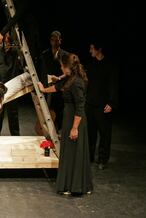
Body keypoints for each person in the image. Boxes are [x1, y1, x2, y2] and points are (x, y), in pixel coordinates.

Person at [38, 53, 93, 195]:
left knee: (74, 152)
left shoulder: (77, 82)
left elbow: (80, 106)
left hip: (76, 120)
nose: (61, 69)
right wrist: (44, 89)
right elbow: (58, 87)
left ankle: (75, 186)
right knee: (69, 151)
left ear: (68, 67)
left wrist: (75, 128)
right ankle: (69, 184)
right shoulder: (70, 79)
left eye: (62, 66)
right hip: (69, 118)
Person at [86, 40, 119, 170]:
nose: (90, 51)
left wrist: (112, 103)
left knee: (104, 133)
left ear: (99, 49)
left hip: (103, 105)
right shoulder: (91, 64)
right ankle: (89, 157)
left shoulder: (110, 66)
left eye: (92, 48)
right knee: (90, 133)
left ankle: (102, 159)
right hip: (90, 103)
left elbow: (113, 85)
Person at [0, 33, 22, 136]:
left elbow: (19, 67)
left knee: (13, 114)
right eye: (6, 42)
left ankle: (16, 136)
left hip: (12, 86)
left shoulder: (15, 52)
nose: (7, 44)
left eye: (9, 42)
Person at [38, 31, 69, 133]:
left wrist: (59, 78)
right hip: (46, 88)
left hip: (59, 89)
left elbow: (69, 73)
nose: (54, 42)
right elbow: (42, 71)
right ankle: (46, 134)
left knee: (58, 112)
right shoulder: (45, 54)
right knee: (45, 111)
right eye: (52, 40)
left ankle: (58, 133)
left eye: (56, 40)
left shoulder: (65, 55)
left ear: (60, 41)